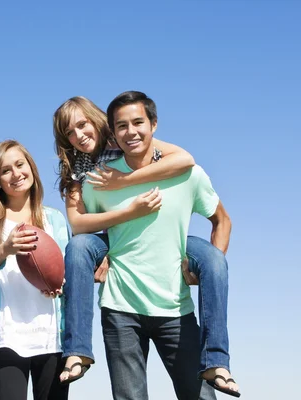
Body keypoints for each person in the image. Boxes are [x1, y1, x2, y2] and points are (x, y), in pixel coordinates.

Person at [52, 95, 239, 397]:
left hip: (174, 301)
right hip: (120, 300)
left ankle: (217, 360)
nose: (78, 136)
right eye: (69, 133)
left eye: (138, 123)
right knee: (81, 247)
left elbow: (191, 167)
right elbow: (78, 226)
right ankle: (77, 350)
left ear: (152, 125)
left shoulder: (177, 169)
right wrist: (101, 254)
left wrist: (125, 180)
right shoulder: (88, 176)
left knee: (214, 260)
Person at [0, 140, 70, 400]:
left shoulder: (53, 218)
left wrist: (59, 283)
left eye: (20, 164)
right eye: (5, 170)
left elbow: (66, 271)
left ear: (31, 167)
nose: (16, 174)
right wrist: (3, 250)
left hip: (51, 336)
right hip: (5, 337)